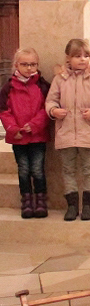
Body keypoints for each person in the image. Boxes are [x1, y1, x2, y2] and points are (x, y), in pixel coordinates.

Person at [45, 39, 90, 221]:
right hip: (65, 132)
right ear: (68, 58)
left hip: (88, 132)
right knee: (68, 169)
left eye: (86, 55)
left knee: (89, 169)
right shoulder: (60, 79)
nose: (82, 59)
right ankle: (72, 205)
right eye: (77, 56)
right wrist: (53, 110)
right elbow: (50, 100)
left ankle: (88, 205)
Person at [0, 48, 50, 219]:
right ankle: (26, 200)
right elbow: (4, 111)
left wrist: (34, 125)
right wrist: (13, 129)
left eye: (33, 64)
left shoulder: (42, 85)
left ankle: (41, 200)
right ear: (16, 65)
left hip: (37, 136)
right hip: (18, 137)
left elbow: (46, 109)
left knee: (37, 170)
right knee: (23, 170)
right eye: (25, 64)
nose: (29, 68)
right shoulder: (8, 87)